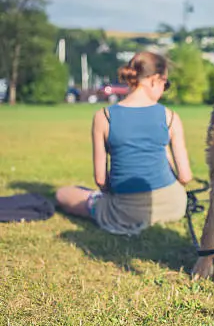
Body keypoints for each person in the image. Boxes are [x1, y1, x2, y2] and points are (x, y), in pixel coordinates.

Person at [55, 51, 193, 235]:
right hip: (174, 206)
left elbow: (101, 180)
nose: (164, 89)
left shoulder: (104, 117)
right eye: (165, 84)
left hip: (125, 213)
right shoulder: (171, 117)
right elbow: (185, 177)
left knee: (63, 193)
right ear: (155, 80)